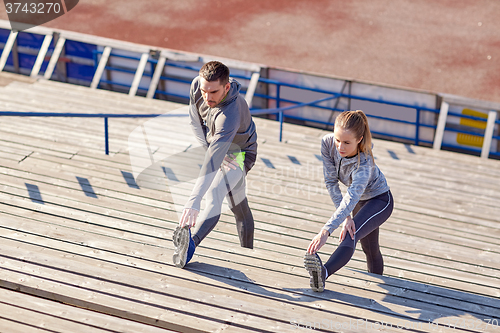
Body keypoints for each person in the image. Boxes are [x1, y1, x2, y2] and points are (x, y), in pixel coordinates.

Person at [172, 61, 258, 268]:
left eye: (213, 92)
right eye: (204, 91)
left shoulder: (230, 115)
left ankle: (190, 245)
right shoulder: (198, 85)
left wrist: (194, 201)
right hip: (216, 145)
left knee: (215, 193)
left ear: (227, 87)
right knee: (238, 204)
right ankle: (248, 252)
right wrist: (210, 149)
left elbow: (213, 161)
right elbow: (195, 122)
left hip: (238, 154)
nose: (207, 97)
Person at [304, 110, 393, 292]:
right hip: (359, 201)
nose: (340, 147)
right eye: (338, 140)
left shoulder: (363, 165)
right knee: (370, 249)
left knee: (349, 236)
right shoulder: (327, 143)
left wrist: (326, 231)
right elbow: (331, 182)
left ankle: (323, 273)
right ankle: (376, 287)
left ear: (359, 139)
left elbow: (351, 197)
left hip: (379, 201)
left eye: (346, 142)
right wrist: (345, 218)